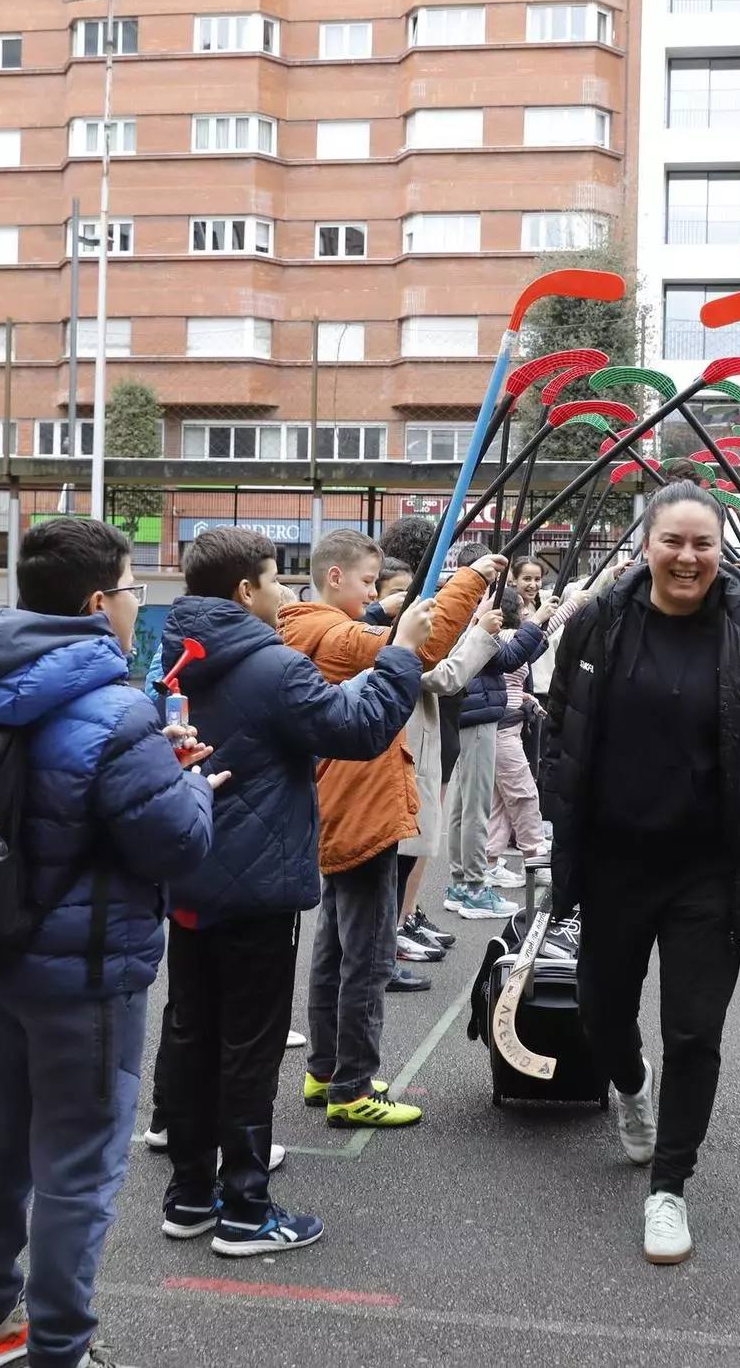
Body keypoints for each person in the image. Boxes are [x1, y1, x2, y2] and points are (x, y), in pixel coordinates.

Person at [0, 516, 218, 1368]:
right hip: (85, 974)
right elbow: (178, 844)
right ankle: (61, 1347)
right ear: (99, 603)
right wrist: (192, 785)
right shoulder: (115, 709)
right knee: (78, 1166)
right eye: (133, 588)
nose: (138, 602)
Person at [543, 482, 740, 1267]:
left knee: (695, 1030)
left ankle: (669, 1188)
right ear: (646, 545)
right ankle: (631, 1087)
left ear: (720, 551)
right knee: (601, 1014)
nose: (687, 557)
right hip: (613, 862)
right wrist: (556, 820)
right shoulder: (599, 621)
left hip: (711, 868)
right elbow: (561, 725)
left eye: (702, 544)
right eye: (673, 541)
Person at [155, 526, 429, 1255]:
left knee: (192, 1032)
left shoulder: (174, 659)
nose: (283, 593)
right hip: (257, 886)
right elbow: (360, 728)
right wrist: (402, 654)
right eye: (276, 579)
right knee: (250, 1044)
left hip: (192, 871)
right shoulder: (272, 667)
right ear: (245, 590)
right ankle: (245, 1208)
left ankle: (190, 1192)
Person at [280, 531, 495, 1129]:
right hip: (363, 810)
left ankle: (327, 1070)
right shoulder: (336, 635)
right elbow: (422, 651)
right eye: (367, 581)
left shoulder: (309, 629)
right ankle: (352, 1086)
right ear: (334, 579)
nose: (374, 593)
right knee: (369, 956)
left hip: (343, 804)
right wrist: (471, 579)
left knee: (334, 949)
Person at [376, 519, 496, 974]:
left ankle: (402, 920)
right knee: (402, 850)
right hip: (411, 742)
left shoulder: (410, 620)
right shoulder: (384, 633)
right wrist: (479, 633)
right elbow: (439, 672)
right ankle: (391, 933)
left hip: (434, 734)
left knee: (418, 843)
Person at [442, 541, 548, 918]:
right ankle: (473, 885)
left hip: (475, 714)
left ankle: (463, 882)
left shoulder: (467, 611)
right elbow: (503, 658)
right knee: (476, 806)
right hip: (477, 715)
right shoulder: (469, 613)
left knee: (468, 804)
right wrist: (487, 626)